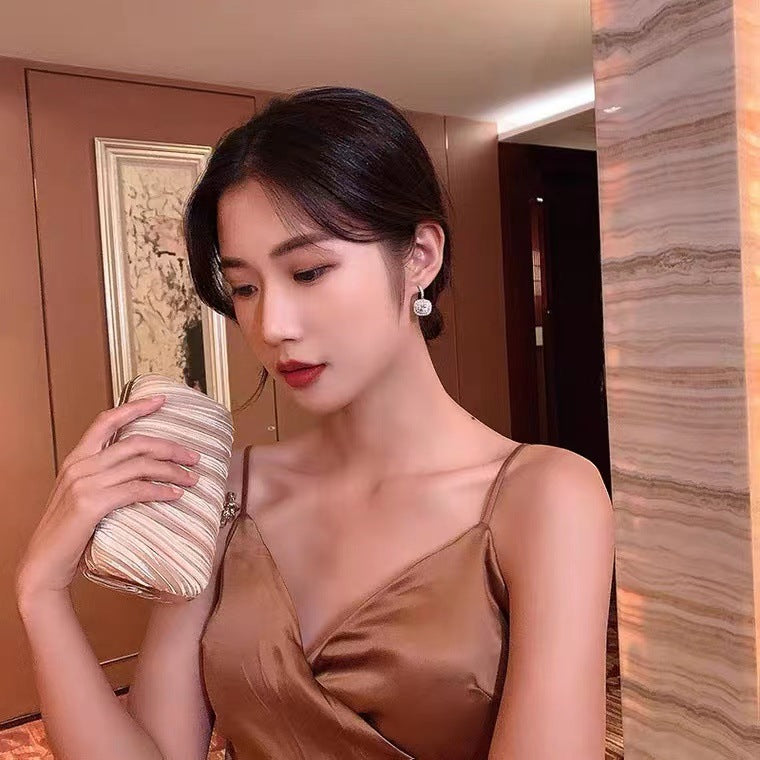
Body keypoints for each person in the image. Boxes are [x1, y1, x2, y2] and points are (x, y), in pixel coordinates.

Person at [15, 86, 615, 760]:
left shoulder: (545, 496)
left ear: (420, 256)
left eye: (308, 271)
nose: (271, 325)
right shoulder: (228, 492)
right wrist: (42, 594)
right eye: (245, 287)